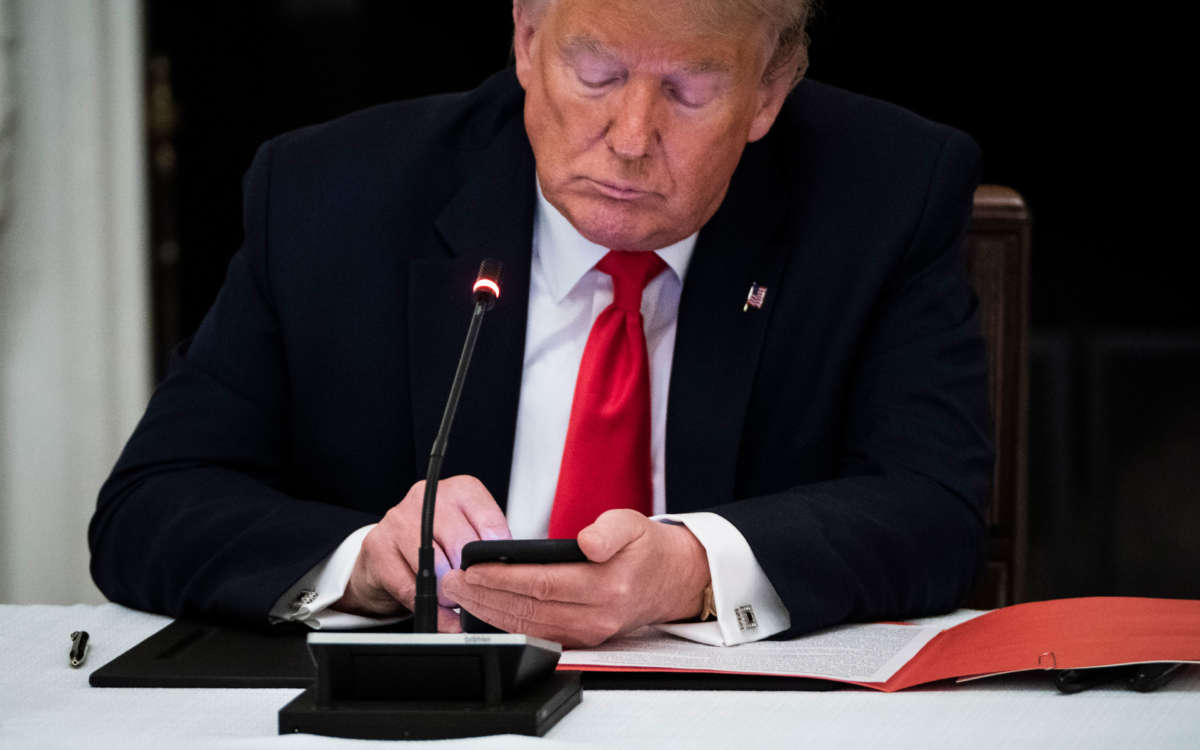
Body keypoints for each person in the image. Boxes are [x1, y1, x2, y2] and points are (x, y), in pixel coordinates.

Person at [89, 0, 992, 648]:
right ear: (526, 40)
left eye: (689, 91)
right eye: (594, 73)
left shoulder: (885, 195)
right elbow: (150, 507)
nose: (631, 136)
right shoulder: (333, 196)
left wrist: (690, 569)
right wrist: (363, 561)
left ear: (768, 92)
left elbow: (938, 513)